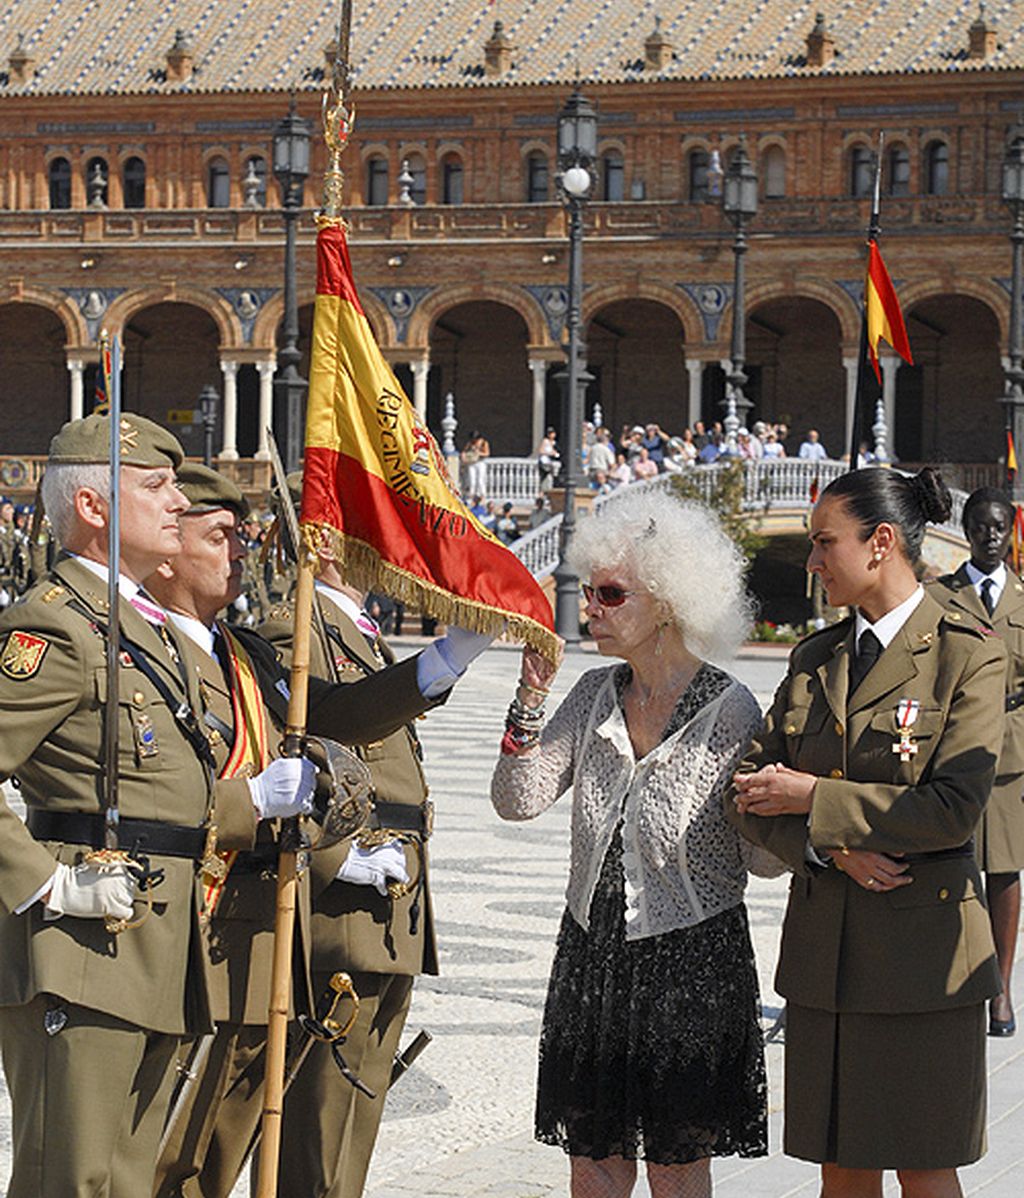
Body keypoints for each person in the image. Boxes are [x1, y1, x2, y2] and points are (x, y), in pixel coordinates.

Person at [149, 465, 491, 1198]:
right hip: (257, 917)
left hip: (326, 914)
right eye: (221, 537)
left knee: (306, 1133)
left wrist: (448, 658)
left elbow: (342, 724)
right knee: (210, 1144)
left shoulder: (282, 645)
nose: (240, 553)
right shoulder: (280, 630)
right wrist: (337, 858)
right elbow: (305, 741)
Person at [0, 414, 318, 1198]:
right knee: (68, 1181)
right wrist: (45, 883)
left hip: (163, 940)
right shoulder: (54, 623)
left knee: (129, 1183)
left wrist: (251, 799)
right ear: (94, 508)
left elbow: (169, 790)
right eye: (156, 486)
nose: (178, 502)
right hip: (82, 944)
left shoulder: (151, 630)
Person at [491, 487, 776, 1198]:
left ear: (670, 602)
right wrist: (528, 702)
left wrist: (790, 791)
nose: (590, 607)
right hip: (593, 956)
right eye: (589, 592)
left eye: (611, 594)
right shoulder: (592, 693)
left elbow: (765, 862)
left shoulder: (729, 710)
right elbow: (518, 800)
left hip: (692, 962)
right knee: (591, 1161)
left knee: (676, 1170)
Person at [729, 466, 1006, 1196]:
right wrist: (827, 847)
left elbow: (952, 808)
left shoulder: (965, 653)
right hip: (828, 962)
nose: (813, 560)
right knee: (842, 1172)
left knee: (924, 1168)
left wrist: (813, 797)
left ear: (881, 542)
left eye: (826, 543)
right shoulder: (816, 658)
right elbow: (747, 796)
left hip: (923, 966)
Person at [260, 488, 456, 1198]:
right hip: (344, 906)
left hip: (389, 904)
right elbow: (330, 723)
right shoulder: (294, 628)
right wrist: (342, 859)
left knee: (355, 1113)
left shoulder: (358, 631)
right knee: (321, 1120)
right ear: (325, 544)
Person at [930, 486, 1024, 1038]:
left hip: (1009, 749)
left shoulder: (1021, 598)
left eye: (1000, 527)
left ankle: (1001, 987)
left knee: (1005, 869)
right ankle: (951, 978)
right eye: (981, 527)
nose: (991, 536)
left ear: (1011, 531)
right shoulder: (940, 597)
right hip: (952, 743)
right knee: (949, 860)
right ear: (966, 530)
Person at [460, 431, 490, 499]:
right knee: (471, 479)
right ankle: (471, 494)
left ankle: (481, 495)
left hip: (480, 462)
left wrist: (479, 453)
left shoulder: (484, 443)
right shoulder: (470, 443)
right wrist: (464, 455)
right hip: (472, 462)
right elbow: (465, 450)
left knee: (480, 479)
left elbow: (487, 453)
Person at [536, 428, 560, 492]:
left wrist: (554, 453)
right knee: (543, 478)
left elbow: (554, 451)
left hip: (549, 462)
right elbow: (541, 451)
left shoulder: (553, 443)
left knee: (550, 477)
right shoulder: (545, 441)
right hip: (544, 462)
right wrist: (550, 453)